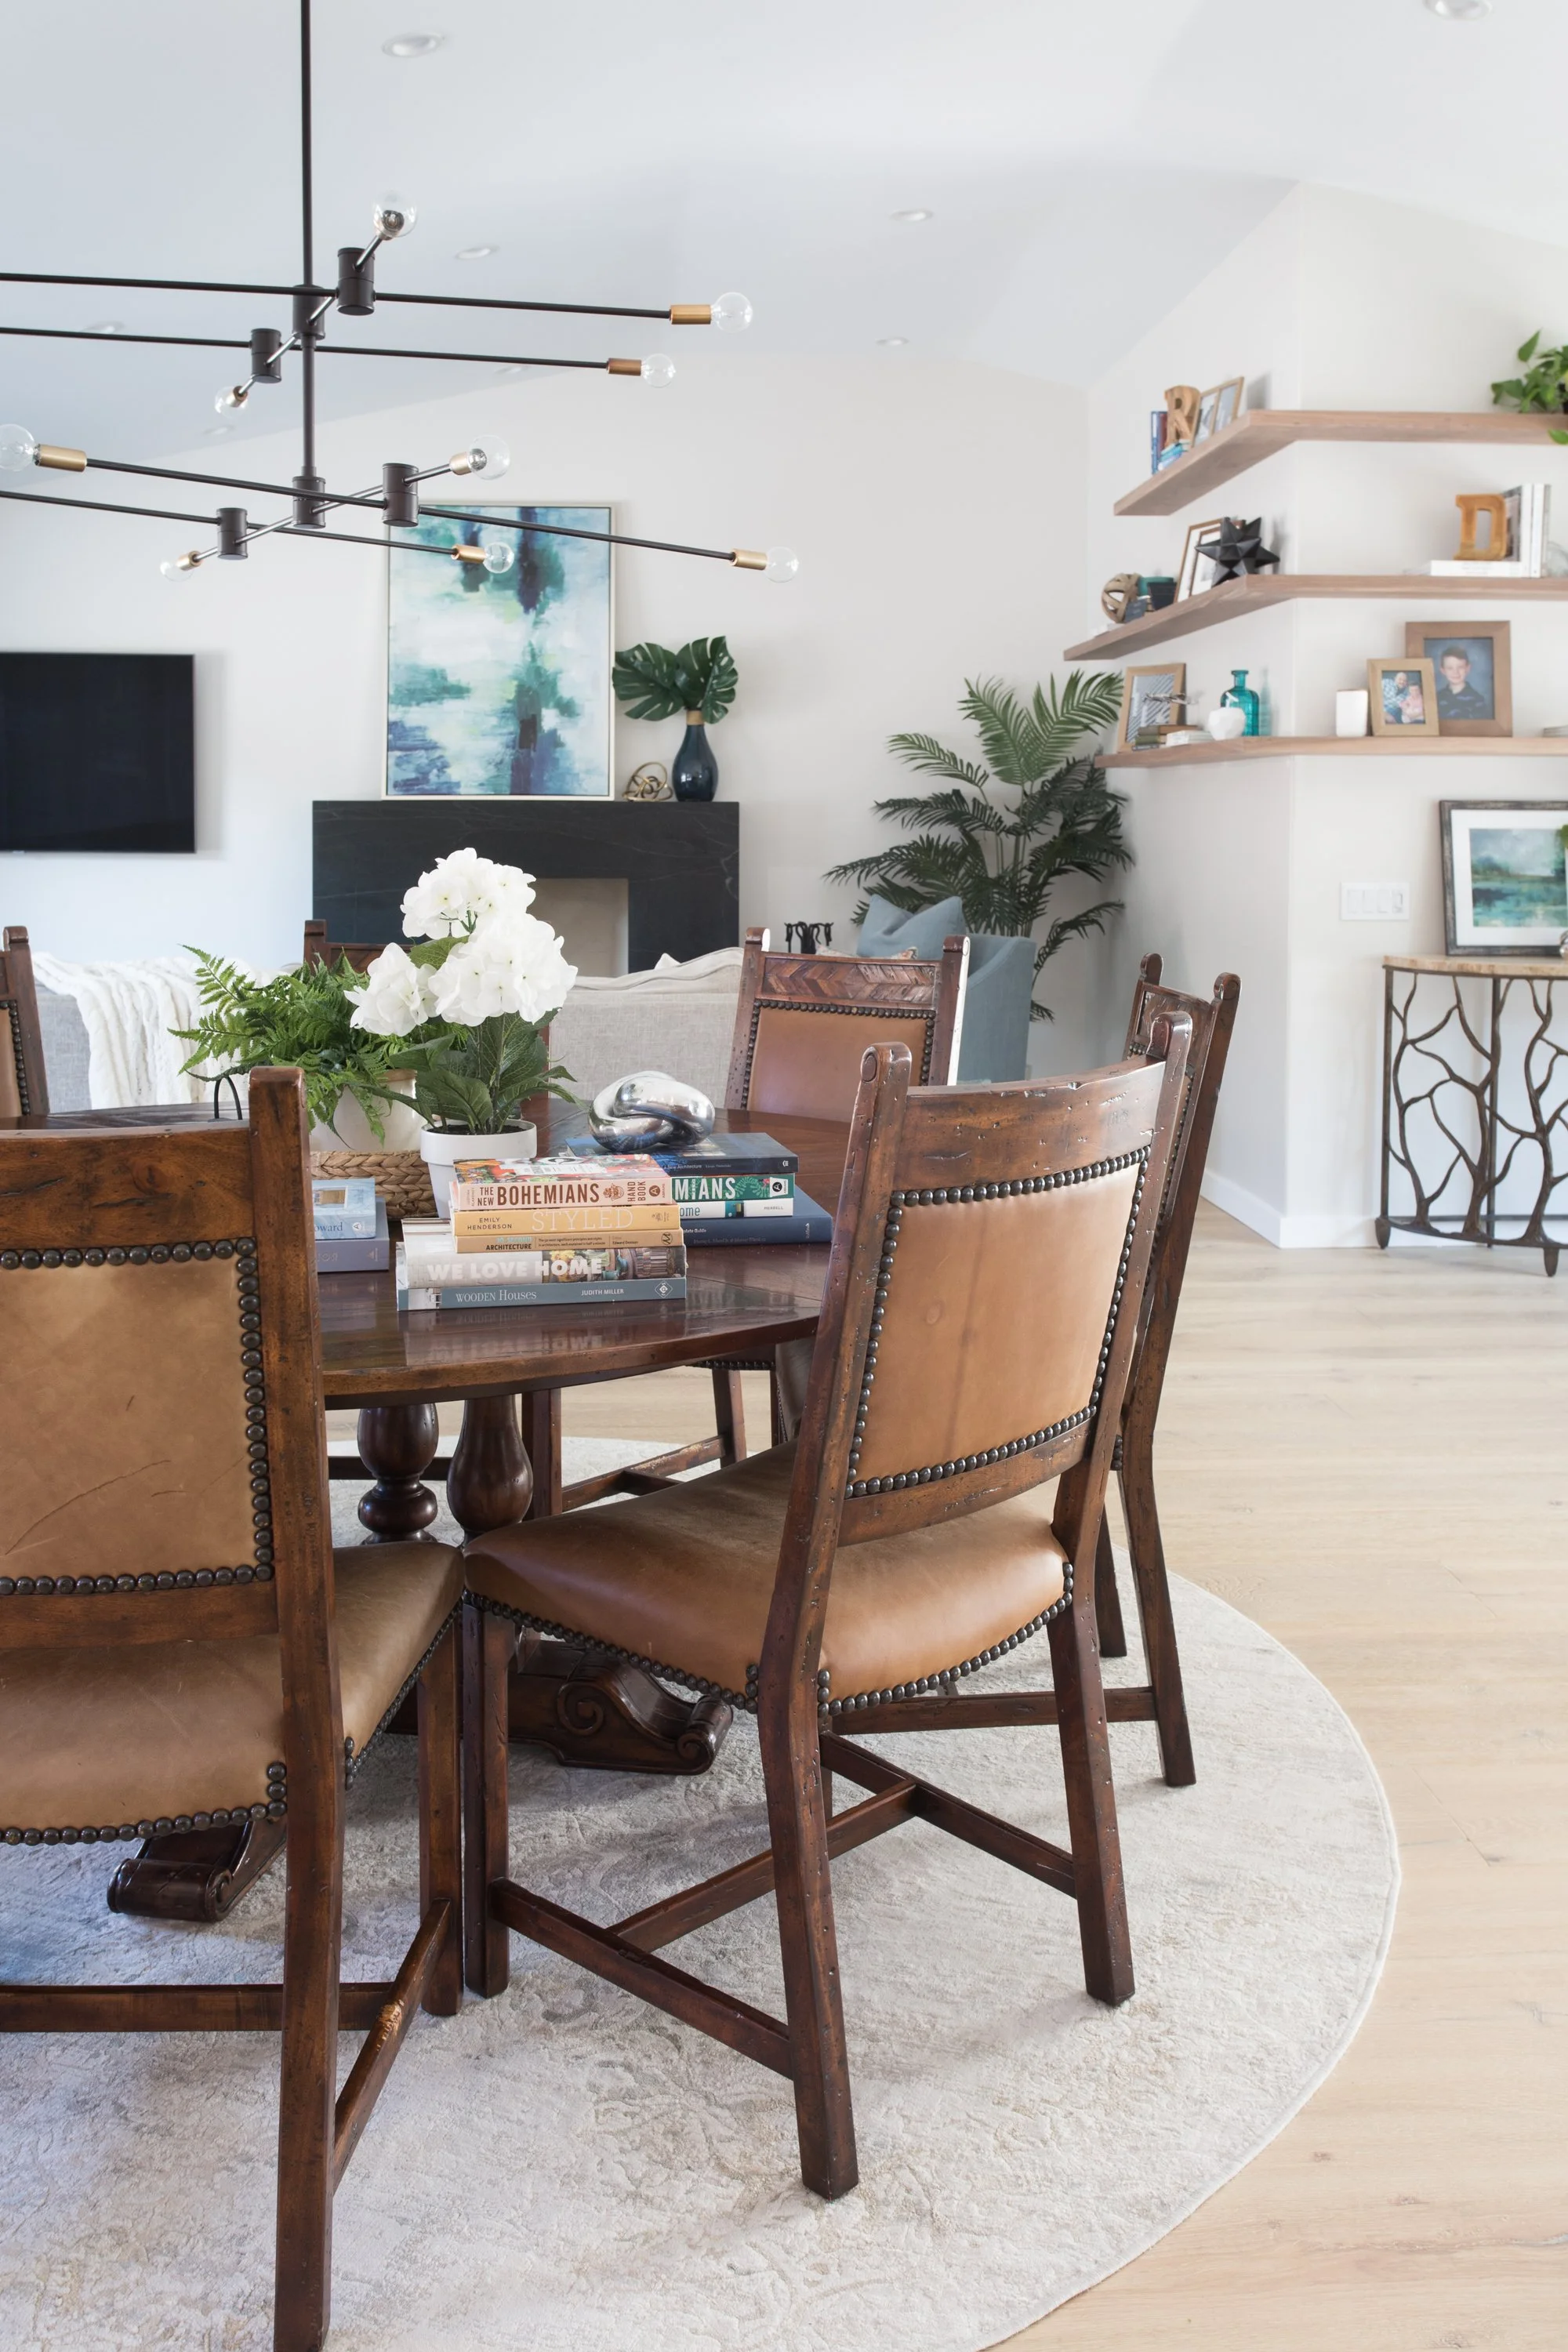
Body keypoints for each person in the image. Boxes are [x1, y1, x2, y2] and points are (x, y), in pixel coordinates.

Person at [1435, 644, 1490, 721]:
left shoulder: (1477, 699)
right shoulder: (1437, 698)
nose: (1456, 672)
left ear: (1468, 668)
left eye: (1460, 667)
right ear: (1443, 671)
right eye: (1450, 668)